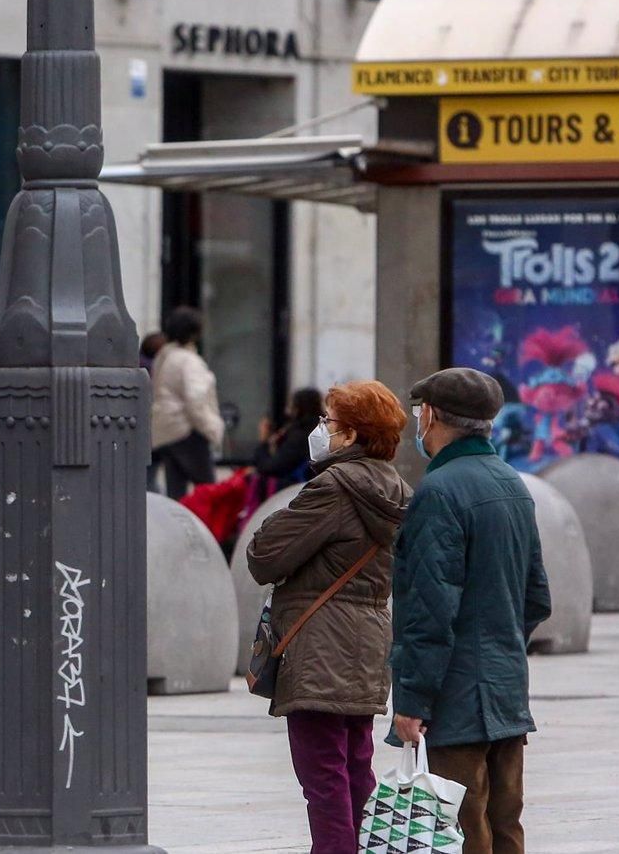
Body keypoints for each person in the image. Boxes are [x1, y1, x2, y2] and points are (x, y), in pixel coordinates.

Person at [391, 368, 553, 854]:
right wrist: (501, 647)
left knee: (461, 827)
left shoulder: (439, 493)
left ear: (432, 416)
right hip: (506, 691)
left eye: (420, 414)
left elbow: (429, 611)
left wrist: (412, 700)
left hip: (456, 696)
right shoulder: (513, 484)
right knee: (505, 824)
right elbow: (537, 597)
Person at [247, 381, 412, 853]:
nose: (321, 429)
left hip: (321, 643)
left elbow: (264, 555)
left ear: (352, 436)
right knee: (356, 766)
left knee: (322, 775)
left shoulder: (333, 488)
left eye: (330, 422)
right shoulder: (396, 490)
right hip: (367, 639)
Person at [149, 306, 225, 499]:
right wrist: (212, 429)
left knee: (177, 496)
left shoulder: (163, 358)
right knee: (210, 494)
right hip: (188, 432)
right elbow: (196, 401)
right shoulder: (189, 361)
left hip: (166, 433)